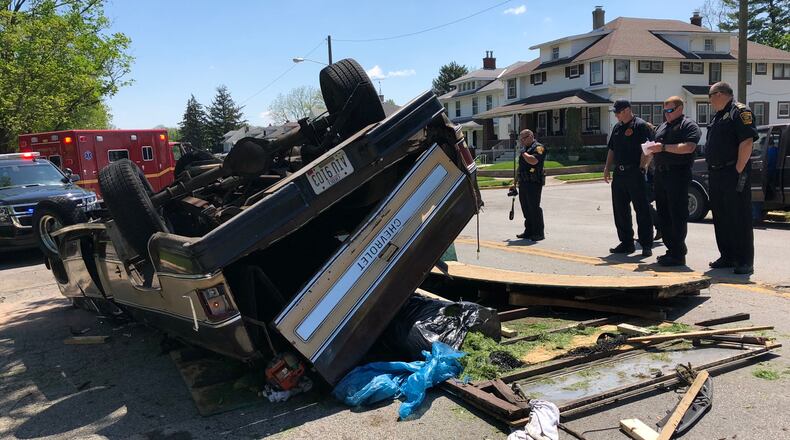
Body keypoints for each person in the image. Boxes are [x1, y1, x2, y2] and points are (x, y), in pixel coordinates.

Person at [704, 82, 759, 275]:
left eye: (710, 96)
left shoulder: (739, 111)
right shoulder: (719, 115)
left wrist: (737, 169)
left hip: (732, 172)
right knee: (721, 216)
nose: (709, 101)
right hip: (717, 173)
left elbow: (747, 141)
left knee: (738, 216)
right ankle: (727, 256)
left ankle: (744, 260)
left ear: (718, 94)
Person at [645, 96, 702, 266]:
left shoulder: (688, 125)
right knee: (664, 214)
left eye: (670, 110)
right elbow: (656, 145)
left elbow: (689, 147)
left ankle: (678, 253)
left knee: (677, 214)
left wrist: (663, 148)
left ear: (679, 108)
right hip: (661, 175)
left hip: (678, 174)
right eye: (665, 111)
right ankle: (671, 250)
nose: (667, 114)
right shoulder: (663, 127)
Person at [603, 99, 654, 257]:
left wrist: (642, 167)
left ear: (626, 110)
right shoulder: (617, 127)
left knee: (642, 209)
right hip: (619, 173)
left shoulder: (640, 126)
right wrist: (607, 167)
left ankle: (646, 244)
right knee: (620, 209)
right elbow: (612, 148)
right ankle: (626, 243)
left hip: (635, 172)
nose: (616, 116)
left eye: (617, 112)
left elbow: (648, 149)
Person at [513, 129, 547, 241]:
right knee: (526, 208)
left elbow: (534, 161)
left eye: (524, 138)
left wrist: (523, 153)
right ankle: (529, 231)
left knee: (534, 207)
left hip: (534, 182)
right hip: (523, 182)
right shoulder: (526, 149)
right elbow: (520, 167)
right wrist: (514, 182)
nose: (522, 141)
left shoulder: (539, 147)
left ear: (531, 136)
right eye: (521, 139)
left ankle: (538, 233)